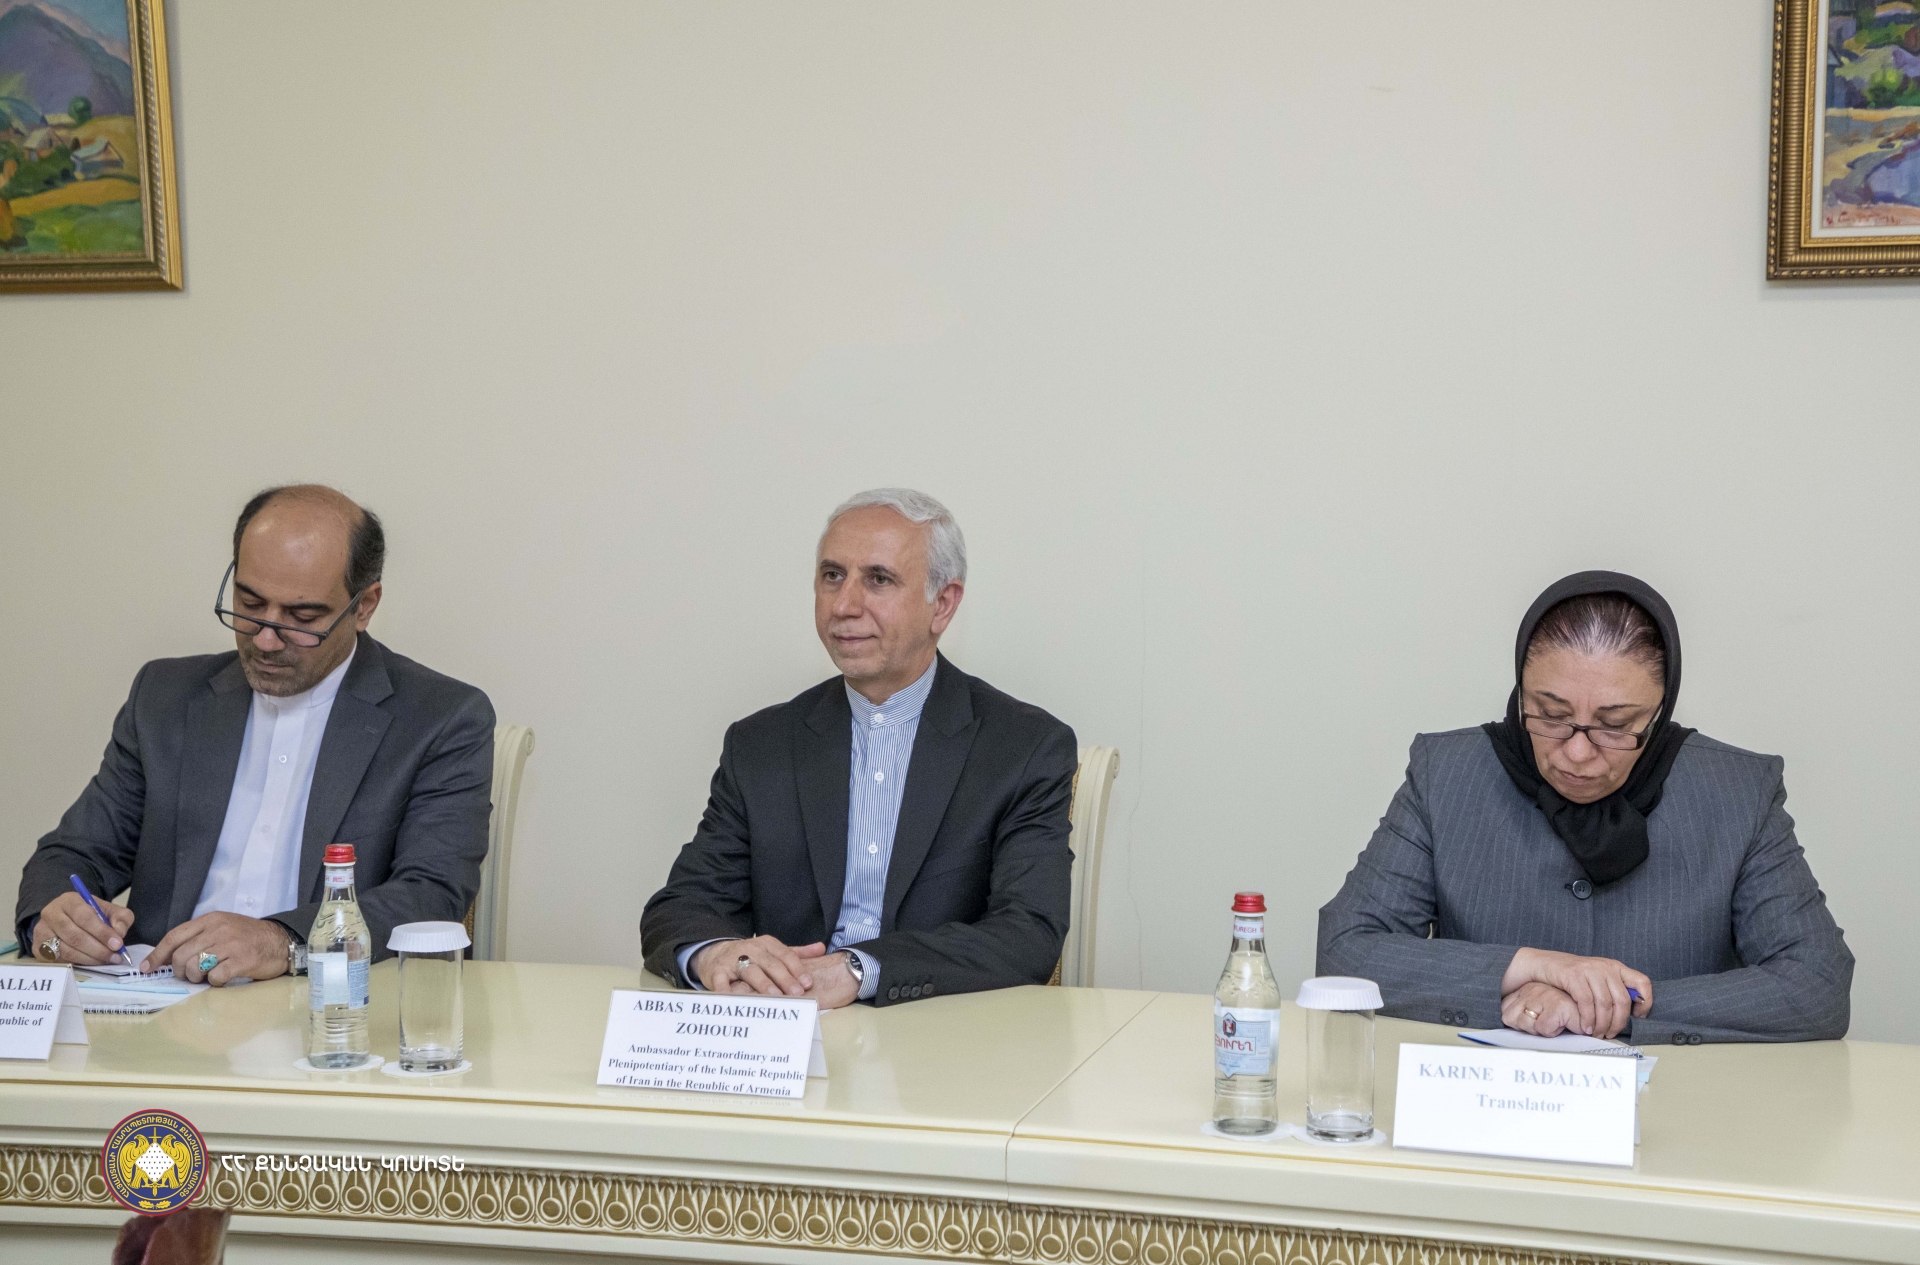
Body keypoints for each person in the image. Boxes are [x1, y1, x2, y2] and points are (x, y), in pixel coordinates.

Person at [1317, 571, 1853, 1045]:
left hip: (1685, 1105)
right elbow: (1346, 951)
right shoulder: (1447, 774)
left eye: (1615, 725)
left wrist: (1608, 1006)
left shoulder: (1738, 790)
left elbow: (1817, 983)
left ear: (1660, 711)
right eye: (1550, 715)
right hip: (1488, 1101)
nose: (1576, 752)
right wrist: (1533, 967)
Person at [15, 485, 495, 986]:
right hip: (157, 1001)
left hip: (326, 1006)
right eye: (249, 603)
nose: (265, 639)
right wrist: (57, 920)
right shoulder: (165, 697)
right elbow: (74, 853)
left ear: (364, 605)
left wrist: (283, 941)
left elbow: (430, 896)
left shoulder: (441, 718)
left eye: (302, 618)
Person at [641, 488, 1076, 1008]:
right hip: (790, 1033)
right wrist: (716, 954)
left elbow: (1027, 932)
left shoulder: (1024, 747)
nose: (844, 606)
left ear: (942, 604)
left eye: (879, 579)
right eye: (832, 576)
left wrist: (858, 970)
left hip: (939, 1031)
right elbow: (683, 905)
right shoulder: (760, 745)